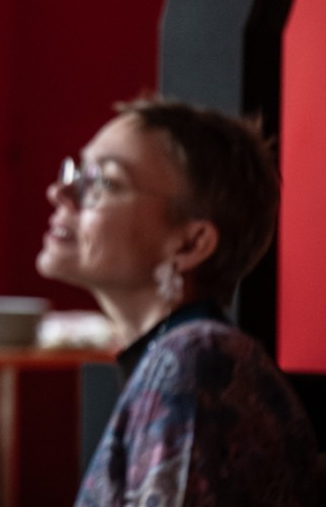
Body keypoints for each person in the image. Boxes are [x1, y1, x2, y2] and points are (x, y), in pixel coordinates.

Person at [36, 97, 319, 506]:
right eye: (77, 172)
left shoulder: (196, 361)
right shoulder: (186, 357)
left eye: (104, 183)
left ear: (190, 243)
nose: (59, 192)